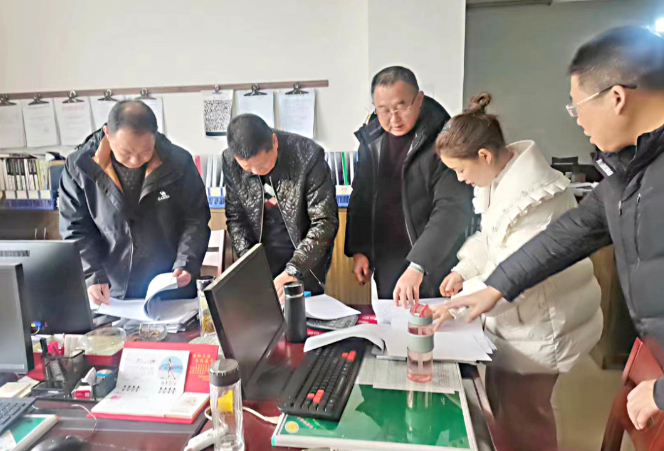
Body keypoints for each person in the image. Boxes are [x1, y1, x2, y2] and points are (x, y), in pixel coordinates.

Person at [444, 27, 664, 431]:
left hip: (548, 334)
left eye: (576, 106)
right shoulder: (628, 171)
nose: (576, 119)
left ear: (617, 98)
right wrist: (494, 286)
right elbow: (568, 235)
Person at [432, 92, 602, 451]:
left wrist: (457, 305)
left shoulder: (536, 198)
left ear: (484, 155)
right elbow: (491, 240)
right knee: (503, 410)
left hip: (541, 325)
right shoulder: (499, 179)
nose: (460, 179)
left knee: (525, 419)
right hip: (514, 323)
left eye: (460, 170)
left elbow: (518, 275)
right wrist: (464, 270)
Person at [59, 100, 211, 304]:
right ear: (107, 133)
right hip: (112, 290)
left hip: (170, 284)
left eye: (144, 152)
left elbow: (196, 217)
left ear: (154, 136)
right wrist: (92, 274)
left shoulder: (179, 162)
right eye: (126, 153)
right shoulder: (80, 167)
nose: (135, 160)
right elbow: (75, 228)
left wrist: (186, 262)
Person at [345, 66, 473, 305]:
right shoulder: (371, 139)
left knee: (433, 323)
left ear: (419, 99)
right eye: (383, 110)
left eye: (401, 107)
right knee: (394, 321)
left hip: (434, 260)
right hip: (387, 258)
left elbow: (452, 207)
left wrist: (419, 264)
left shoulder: (445, 140)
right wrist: (360, 249)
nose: (393, 119)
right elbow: (362, 196)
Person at [222, 114, 339, 302]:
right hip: (261, 260)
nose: (256, 173)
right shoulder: (229, 161)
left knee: (302, 315)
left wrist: (294, 269)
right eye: (248, 169)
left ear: (274, 142)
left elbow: (324, 221)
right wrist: (250, 263)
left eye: (262, 166)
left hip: (304, 259)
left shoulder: (308, 155)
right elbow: (236, 218)